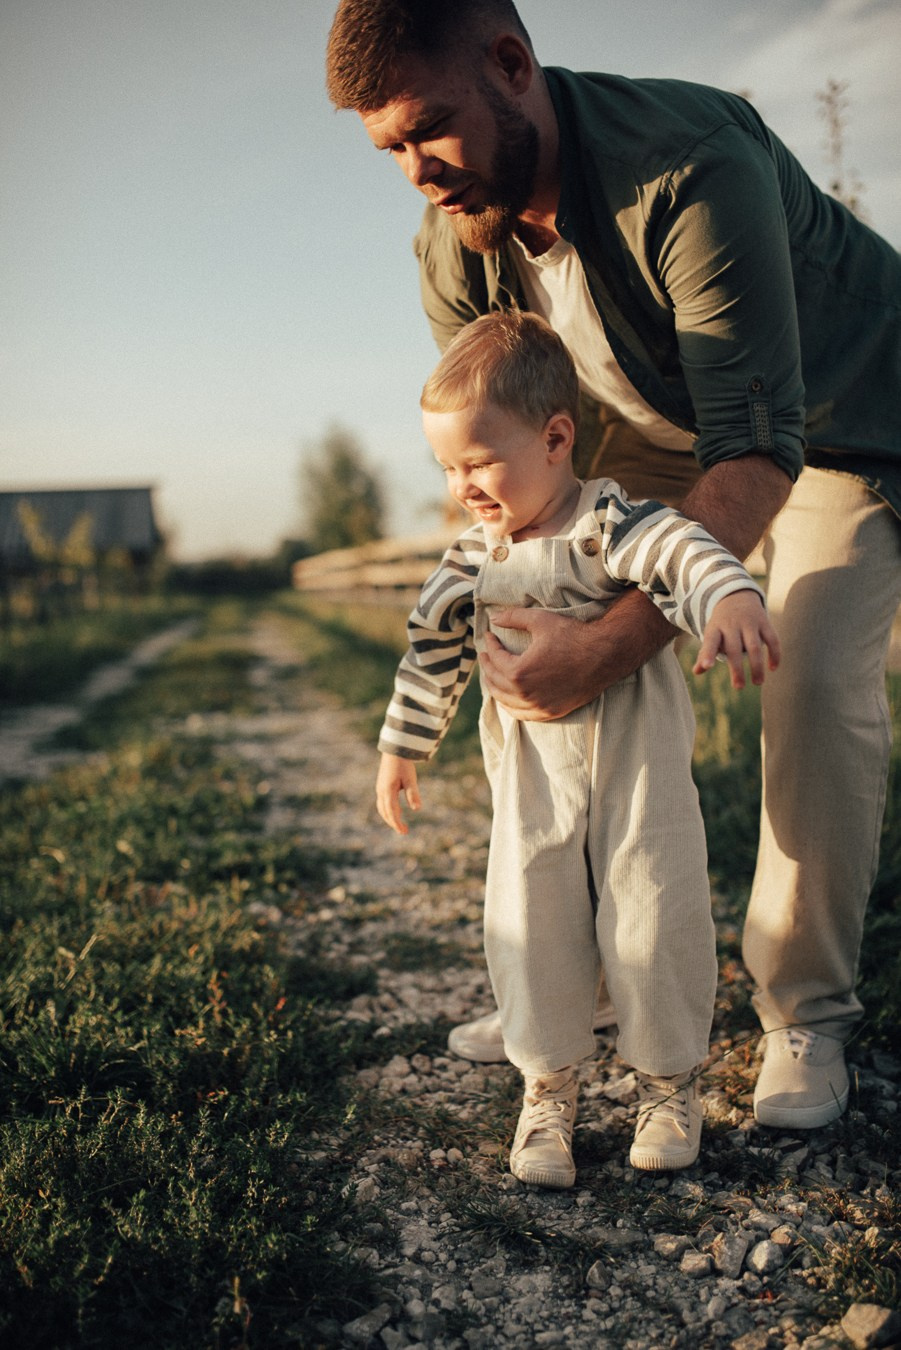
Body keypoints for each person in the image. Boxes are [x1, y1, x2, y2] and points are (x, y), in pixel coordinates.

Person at [327, 0, 901, 1130]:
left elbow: (753, 445)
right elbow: (506, 457)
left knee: (812, 671)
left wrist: (615, 639)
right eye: (386, 147)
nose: (413, 171)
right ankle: (568, 984)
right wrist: (535, 630)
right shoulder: (455, 237)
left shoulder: (688, 166)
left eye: (428, 130)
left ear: (510, 64)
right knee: (530, 618)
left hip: (830, 424)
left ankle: (804, 1011)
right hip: (648, 432)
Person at [376, 310, 780, 1186]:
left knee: (653, 904)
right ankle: (547, 1090)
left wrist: (731, 599)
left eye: (479, 461)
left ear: (556, 438)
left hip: (638, 766)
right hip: (531, 781)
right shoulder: (467, 560)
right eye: (446, 467)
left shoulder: (612, 525)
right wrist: (401, 748)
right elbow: (428, 652)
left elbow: (686, 549)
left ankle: (667, 1084)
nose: (462, 485)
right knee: (530, 917)